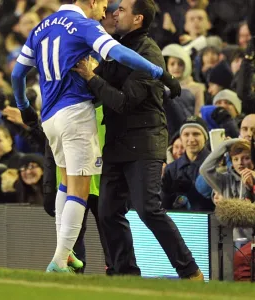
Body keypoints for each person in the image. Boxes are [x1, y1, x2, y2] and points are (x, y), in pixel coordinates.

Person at [11, 0, 181, 274]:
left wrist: (24, 108)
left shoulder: (41, 27)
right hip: (75, 113)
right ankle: (59, 259)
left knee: (65, 184)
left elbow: (18, 73)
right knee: (79, 187)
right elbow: (121, 54)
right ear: (90, 1)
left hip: (50, 116)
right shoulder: (83, 26)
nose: (106, 11)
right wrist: (160, 73)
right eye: (103, 3)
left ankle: (63, 254)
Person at [73, 0, 202, 279]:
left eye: (122, 9)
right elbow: (98, 90)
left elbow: (123, 101)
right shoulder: (115, 50)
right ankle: (125, 274)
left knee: (148, 210)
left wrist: (89, 76)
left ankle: (190, 270)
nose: (115, 12)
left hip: (144, 141)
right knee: (107, 212)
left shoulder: (149, 53)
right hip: (117, 144)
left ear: (137, 19)